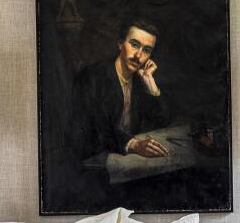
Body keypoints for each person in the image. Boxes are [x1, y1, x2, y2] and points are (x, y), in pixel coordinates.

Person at [72, 19, 170, 161]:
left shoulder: (140, 81)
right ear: (120, 44)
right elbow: (99, 128)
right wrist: (134, 144)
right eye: (134, 45)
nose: (138, 55)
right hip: (93, 158)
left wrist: (152, 86)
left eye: (146, 50)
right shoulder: (93, 75)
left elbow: (160, 123)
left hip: (127, 157)